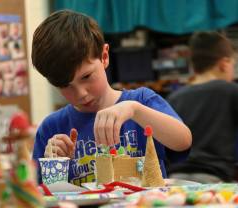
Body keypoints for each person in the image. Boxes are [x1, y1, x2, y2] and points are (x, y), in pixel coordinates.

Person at [31, 10, 191, 185]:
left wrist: (134, 110)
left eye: (86, 77)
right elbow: (40, 194)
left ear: (104, 56)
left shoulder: (141, 101)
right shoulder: (52, 128)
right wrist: (54, 164)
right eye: (65, 86)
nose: (81, 93)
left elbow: (183, 141)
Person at [167, 31, 238, 183]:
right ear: (224, 64)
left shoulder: (174, 98)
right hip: (213, 179)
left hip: (175, 180)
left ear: (193, 65)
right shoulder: (231, 91)